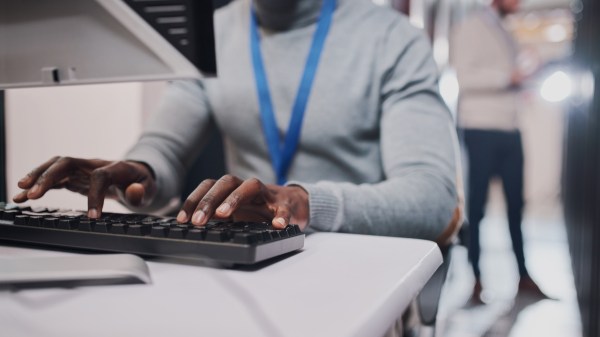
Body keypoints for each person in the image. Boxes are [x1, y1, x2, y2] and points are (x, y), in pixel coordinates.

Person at [13, 0, 457, 241]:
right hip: (255, 258)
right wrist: (140, 172)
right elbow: (166, 147)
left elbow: (431, 197)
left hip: (357, 255)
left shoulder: (392, 40)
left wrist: (303, 203)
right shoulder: (212, 33)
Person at [451, 0, 546, 303]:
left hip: (509, 129)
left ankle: (523, 275)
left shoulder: (506, 31)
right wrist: (509, 78)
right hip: (480, 129)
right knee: (476, 208)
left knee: (517, 206)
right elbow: (465, 78)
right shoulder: (470, 27)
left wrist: (521, 84)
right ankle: (476, 280)